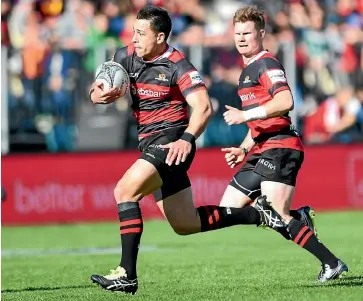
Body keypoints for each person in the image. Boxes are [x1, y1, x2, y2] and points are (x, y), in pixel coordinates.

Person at [89, 5, 321, 295]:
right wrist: (98, 94)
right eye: (133, 31)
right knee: (186, 224)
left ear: (160, 37)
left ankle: (126, 274)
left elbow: (203, 107)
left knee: (124, 191)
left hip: (171, 143)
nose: (133, 38)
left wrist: (186, 138)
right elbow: (100, 85)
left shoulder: (178, 66)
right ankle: (262, 215)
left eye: (140, 33)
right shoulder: (125, 56)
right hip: (148, 143)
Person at [221, 5, 348, 282]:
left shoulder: (266, 64)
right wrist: (243, 147)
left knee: (274, 212)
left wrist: (244, 114)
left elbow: (285, 102)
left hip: (281, 146)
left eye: (248, 33)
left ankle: (332, 262)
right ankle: (299, 219)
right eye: (238, 33)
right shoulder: (246, 71)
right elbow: (259, 122)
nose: (241, 38)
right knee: (229, 207)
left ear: (262, 34)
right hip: (261, 146)